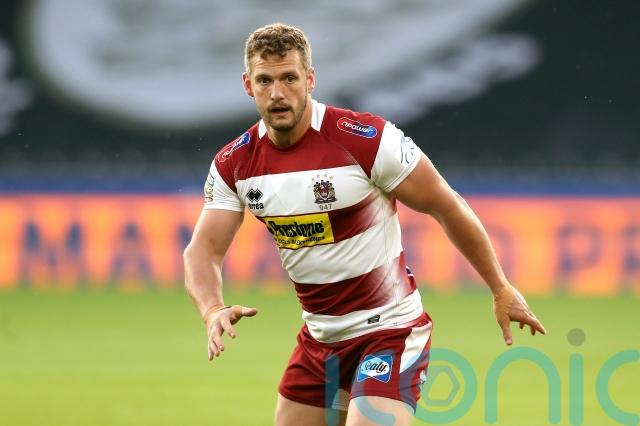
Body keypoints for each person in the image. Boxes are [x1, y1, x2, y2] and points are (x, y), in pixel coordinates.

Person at [184, 23, 546, 426]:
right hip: (320, 341)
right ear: (248, 85)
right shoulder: (235, 163)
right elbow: (203, 250)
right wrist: (211, 308)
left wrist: (500, 287)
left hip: (389, 331)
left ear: (310, 79)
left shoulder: (365, 139)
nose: (277, 93)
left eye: (289, 78)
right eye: (265, 81)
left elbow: (447, 205)